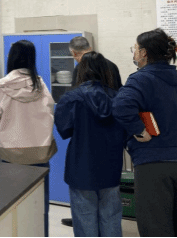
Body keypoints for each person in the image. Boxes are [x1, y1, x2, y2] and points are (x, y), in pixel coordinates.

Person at [112, 29, 177, 237]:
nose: (134, 53)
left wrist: (139, 130)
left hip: (154, 163)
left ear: (144, 53)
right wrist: (175, 122)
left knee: (155, 225)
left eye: (135, 48)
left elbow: (120, 106)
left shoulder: (140, 79)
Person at [0, 40, 57, 238]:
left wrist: (7, 121)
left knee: (11, 204)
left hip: (11, 154)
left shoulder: (2, 85)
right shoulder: (40, 85)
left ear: (12, 58)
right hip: (39, 152)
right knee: (39, 204)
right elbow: (50, 113)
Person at [55, 52, 127, 237]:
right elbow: (126, 131)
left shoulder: (71, 98)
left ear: (80, 71)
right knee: (111, 217)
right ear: (106, 71)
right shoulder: (119, 98)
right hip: (111, 166)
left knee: (84, 219)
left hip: (81, 166)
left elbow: (64, 130)